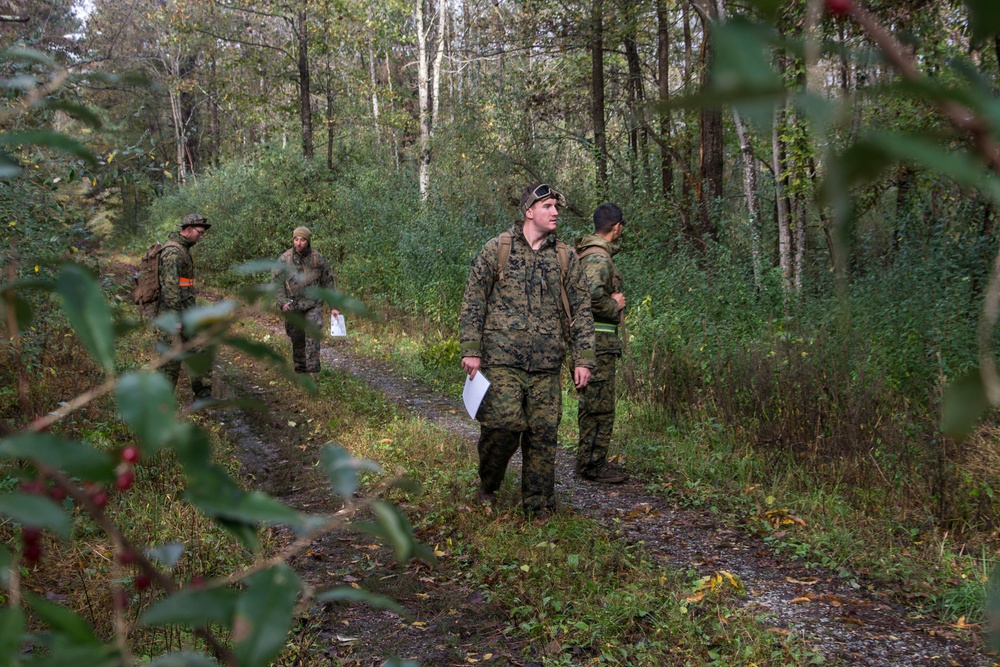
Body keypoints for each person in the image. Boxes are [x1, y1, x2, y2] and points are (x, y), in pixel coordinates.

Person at [460, 183, 596, 520]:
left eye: (556, 207)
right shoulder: (497, 249)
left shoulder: (564, 256)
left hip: (547, 364)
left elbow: (581, 310)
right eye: (548, 206)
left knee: (543, 437)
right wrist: (471, 349)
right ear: (529, 211)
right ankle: (488, 484)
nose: (555, 212)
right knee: (502, 428)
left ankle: (538, 506)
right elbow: (474, 300)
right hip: (501, 360)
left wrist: (584, 360)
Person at [575, 203, 627, 483]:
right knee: (600, 407)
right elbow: (592, 298)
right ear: (616, 226)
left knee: (593, 404)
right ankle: (592, 466)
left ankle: (589, 462)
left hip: (594, 343)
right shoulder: (598, 258)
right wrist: (614, 304)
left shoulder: (591, 253)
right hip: (598, 344)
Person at [157, 213, 213, 400]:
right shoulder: (173, 252)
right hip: (174, 316)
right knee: (170, 362)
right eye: (200, 232)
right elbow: (170, 288)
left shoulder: (183, 249)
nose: (201, 236)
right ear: (188, 229)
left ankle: (203, 395)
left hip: (187, 314)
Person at [273, 226, 338, 374]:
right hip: (292, 306)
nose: (299, 243)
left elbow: (328, 282)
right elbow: (277, 284)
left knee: (312, 336)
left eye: (302, 239)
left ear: (308, 241)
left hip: (313, 305)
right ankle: (300, 370)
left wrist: (334, 306)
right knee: (297, 338)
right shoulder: (285, 259)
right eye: (296, 239)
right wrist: (282, 302)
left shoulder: (317, 259)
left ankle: (313, 372)